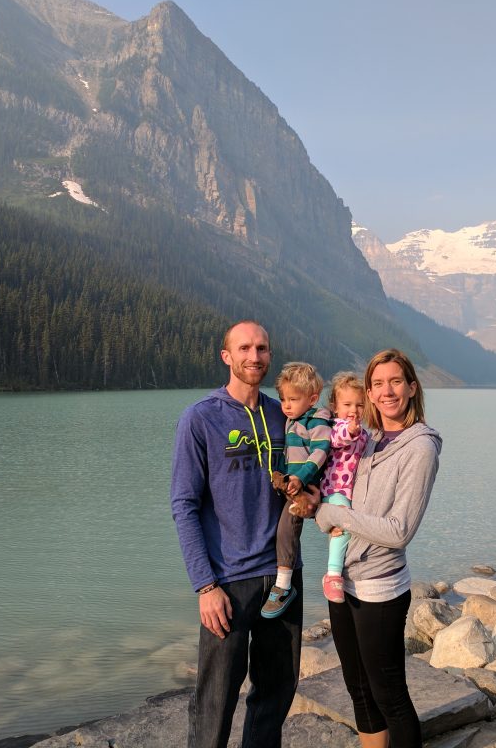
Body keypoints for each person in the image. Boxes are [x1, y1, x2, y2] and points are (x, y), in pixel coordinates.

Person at [169, 320, 301, 748]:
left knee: (275, 695)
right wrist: (204, 585)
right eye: (244, 348)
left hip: (283, 578)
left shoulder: (284, 415)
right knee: (215, 700)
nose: (255, 356)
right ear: (226, 356)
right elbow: (184, 505)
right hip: (227, 581)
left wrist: (313, 498)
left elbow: (309, 475)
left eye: (262, 348)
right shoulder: (201, 417)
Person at [313, 349, 441, 748]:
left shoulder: (420, 448)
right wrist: (321, 510)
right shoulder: (366, 440)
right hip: (344, 584)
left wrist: (335, 516)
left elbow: (399, 530)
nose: (387, 392)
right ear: (368, 392)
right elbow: (337, 497)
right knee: (360, 692)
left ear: (412, 387)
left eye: (396, 381)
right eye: (378, 384)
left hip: (380, 591)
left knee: (391, 697)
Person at [260, 362, 332, 618]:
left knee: (287, 530)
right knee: (281, 529)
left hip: (306, 486)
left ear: (312, 398)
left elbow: (319, 453)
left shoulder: (316, 422)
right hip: (293, 483)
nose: (286, 405)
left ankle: (283, 585)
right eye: (282, 399)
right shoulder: (294, 419)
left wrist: (300, 478)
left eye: (293, 399)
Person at [319, 371, 368, 603]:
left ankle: (347, 570)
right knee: (344, 525)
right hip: (334, 490)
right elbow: (339, 438)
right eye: (347, 404)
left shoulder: (364, 433)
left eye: (359, 405)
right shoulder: (336, 426)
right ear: (335, 407)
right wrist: (351, 431)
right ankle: (333, 574)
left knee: (349, 529)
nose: (354, 410)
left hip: (350, 492)